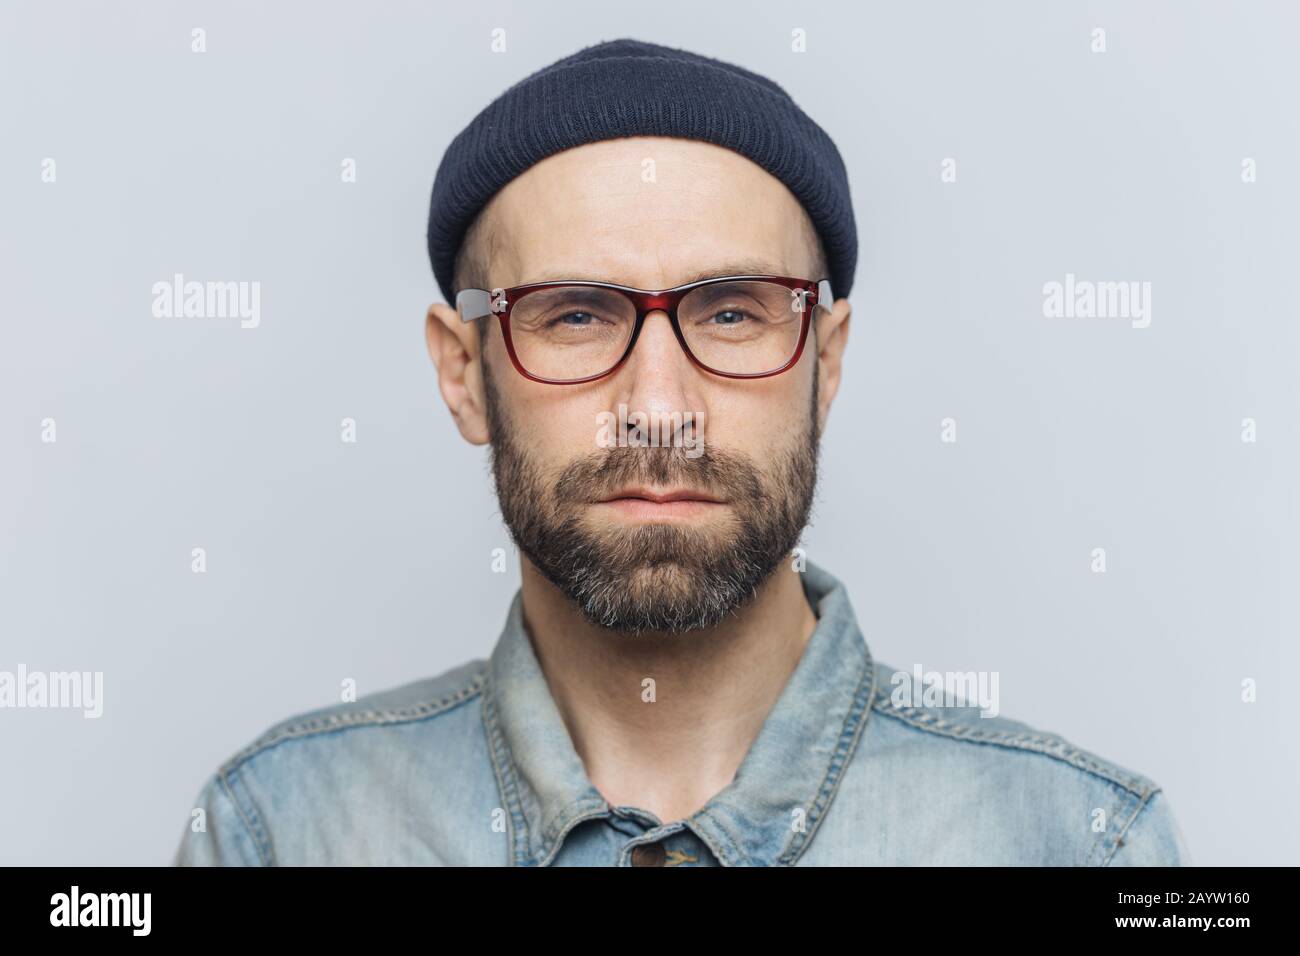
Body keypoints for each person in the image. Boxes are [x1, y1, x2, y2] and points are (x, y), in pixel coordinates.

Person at [173, 37, 1188, 866]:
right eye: (573, 314)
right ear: (461, 371)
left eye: (734, 312)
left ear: (823, 367)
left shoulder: (1081, 844)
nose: (658, 409)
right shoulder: (279, 831)